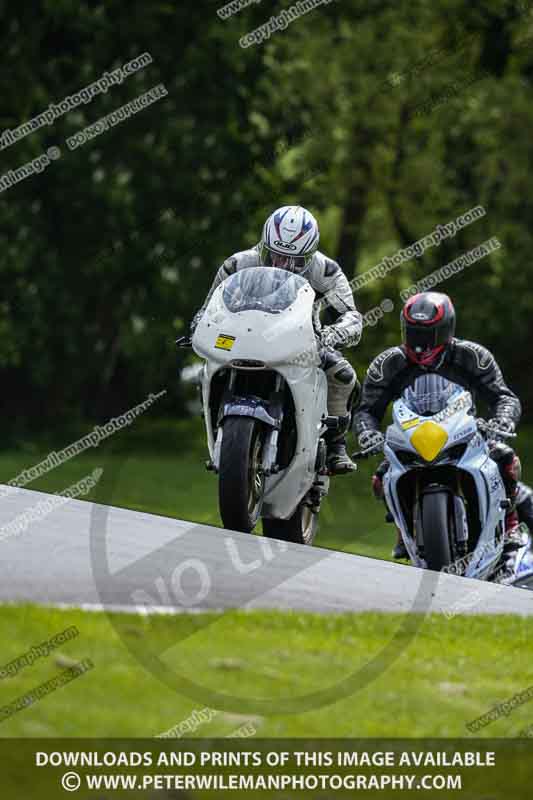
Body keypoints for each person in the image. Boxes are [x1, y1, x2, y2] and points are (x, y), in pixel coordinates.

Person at [191, 205, 363, 473]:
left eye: (293, 260)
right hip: (242, 336)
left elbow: (352, 315)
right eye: (275, 255)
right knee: (207, 368)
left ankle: (336, 446)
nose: (282, 264)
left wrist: (333, 333)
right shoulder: (238, 263)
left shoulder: (326, 271)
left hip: (302, 338)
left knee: (343, 375)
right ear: (264, 245)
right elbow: (209, 307)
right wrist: (199, 324)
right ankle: (214, 418)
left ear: (310, 254)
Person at [353, 291, 523, 556]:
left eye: (427, 335)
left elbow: (503, 396)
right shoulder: (388, 364)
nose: (419, 344)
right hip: (411, 435)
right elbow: (367, 410)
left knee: (505, 459)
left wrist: (502, 420)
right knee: (381, 477)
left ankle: (511, 524)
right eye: (413, 333)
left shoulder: (473, 356)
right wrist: (367, 433)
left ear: (446, 330)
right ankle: (403, 530)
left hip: (466, 432)